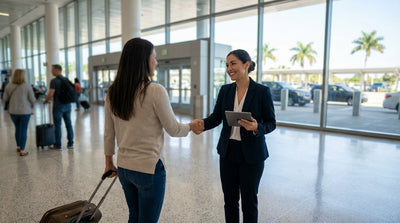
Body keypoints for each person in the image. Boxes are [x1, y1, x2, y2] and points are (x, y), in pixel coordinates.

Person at [103, 37, 200, 223]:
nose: (156, 61)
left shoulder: (113, 91)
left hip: (124, 168)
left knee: (135, 216)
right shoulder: (154, 90)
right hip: (148, 167)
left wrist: (109, 162)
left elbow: (109, 132)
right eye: (153, 57)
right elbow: (173, 129)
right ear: (143, 60)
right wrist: (191, 126)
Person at [193, 49, 276, 223]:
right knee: (229, 200)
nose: (229, 68)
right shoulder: (225, 90)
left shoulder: (262, 92)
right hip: (228, 152)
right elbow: (216, 117)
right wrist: (202, 125)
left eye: (233, 64)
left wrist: (256, 127)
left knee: (249, 202)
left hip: (252, 155)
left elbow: (271, 123)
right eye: (227, 65)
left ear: (246, 65)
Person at [2, 69, 35, 156]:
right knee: (23, 129)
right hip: (25, 112)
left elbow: (4, 98)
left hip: (13, 111)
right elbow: (33, 99)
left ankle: (18, 146)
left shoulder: (9, 86)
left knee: (17, 128)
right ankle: (22, 150)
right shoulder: (27, 86)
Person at [43, 64, 74, 150]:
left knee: (57, 125)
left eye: (52, 70)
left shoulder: (54, 81)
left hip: (58, 106)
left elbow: (51, 94)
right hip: (68, 105)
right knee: (69, 124)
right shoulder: (66, 79)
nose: (51, 71)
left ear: (57, 70)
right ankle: (70, 143)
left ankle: (58, 145)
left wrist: (46, 100)